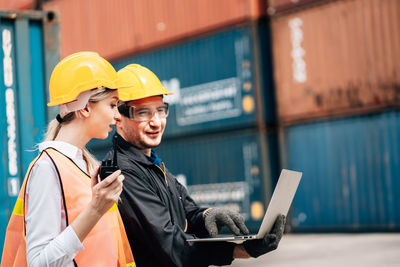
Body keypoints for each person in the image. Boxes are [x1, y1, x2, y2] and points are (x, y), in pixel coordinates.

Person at [104, 64, 286, 267]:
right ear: (118, 117)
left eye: (161, 110)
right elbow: (170, 246)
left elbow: (187, 214)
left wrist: (208, 215)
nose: (156, 122)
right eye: (143, 113)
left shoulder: (152, 164)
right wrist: (241, 250)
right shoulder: (123, 172)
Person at [1, 52, 135, 267]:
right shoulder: (47, 168)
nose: (118, 116)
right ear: (84, 107)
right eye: (112, 105)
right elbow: (39, 263)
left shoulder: (84, 166)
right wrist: (95, 209)